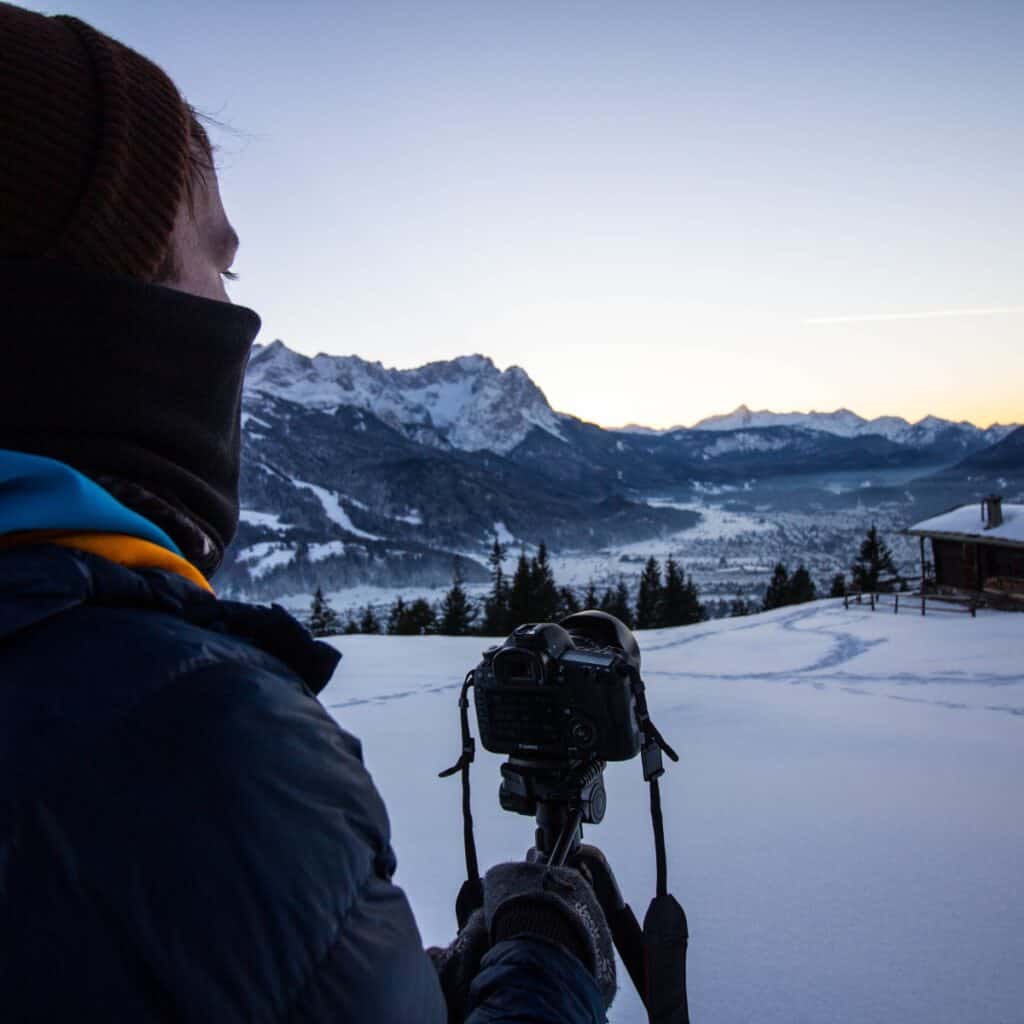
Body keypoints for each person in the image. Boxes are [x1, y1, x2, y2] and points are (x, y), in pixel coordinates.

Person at [0, 4, 615, 1021]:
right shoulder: (188, 740)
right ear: (96, 307)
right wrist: (542, 955)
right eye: (221, 263)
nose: (245, 319)